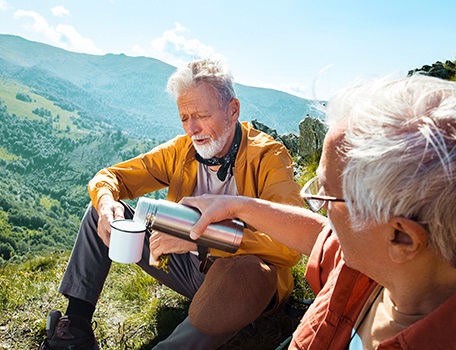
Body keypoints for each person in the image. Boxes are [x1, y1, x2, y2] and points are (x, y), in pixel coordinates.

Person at [181, 75, 456, 349]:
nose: (319, 207)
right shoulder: (379, 264)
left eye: (328, 198)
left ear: (402, 237)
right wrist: (238, 205)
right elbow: (318, 234)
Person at [40, 59, 302, 350]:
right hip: (188, 267)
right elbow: (110, 177)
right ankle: (75, 329)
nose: (193, 128)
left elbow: (290, 247)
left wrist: (199, 237)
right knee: (100, 213)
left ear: (233, 110)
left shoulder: (269, 157)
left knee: (239, 277)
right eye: (184, 117)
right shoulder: (182, 151)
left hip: (244, 275)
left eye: (202, 115)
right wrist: (105, 203)